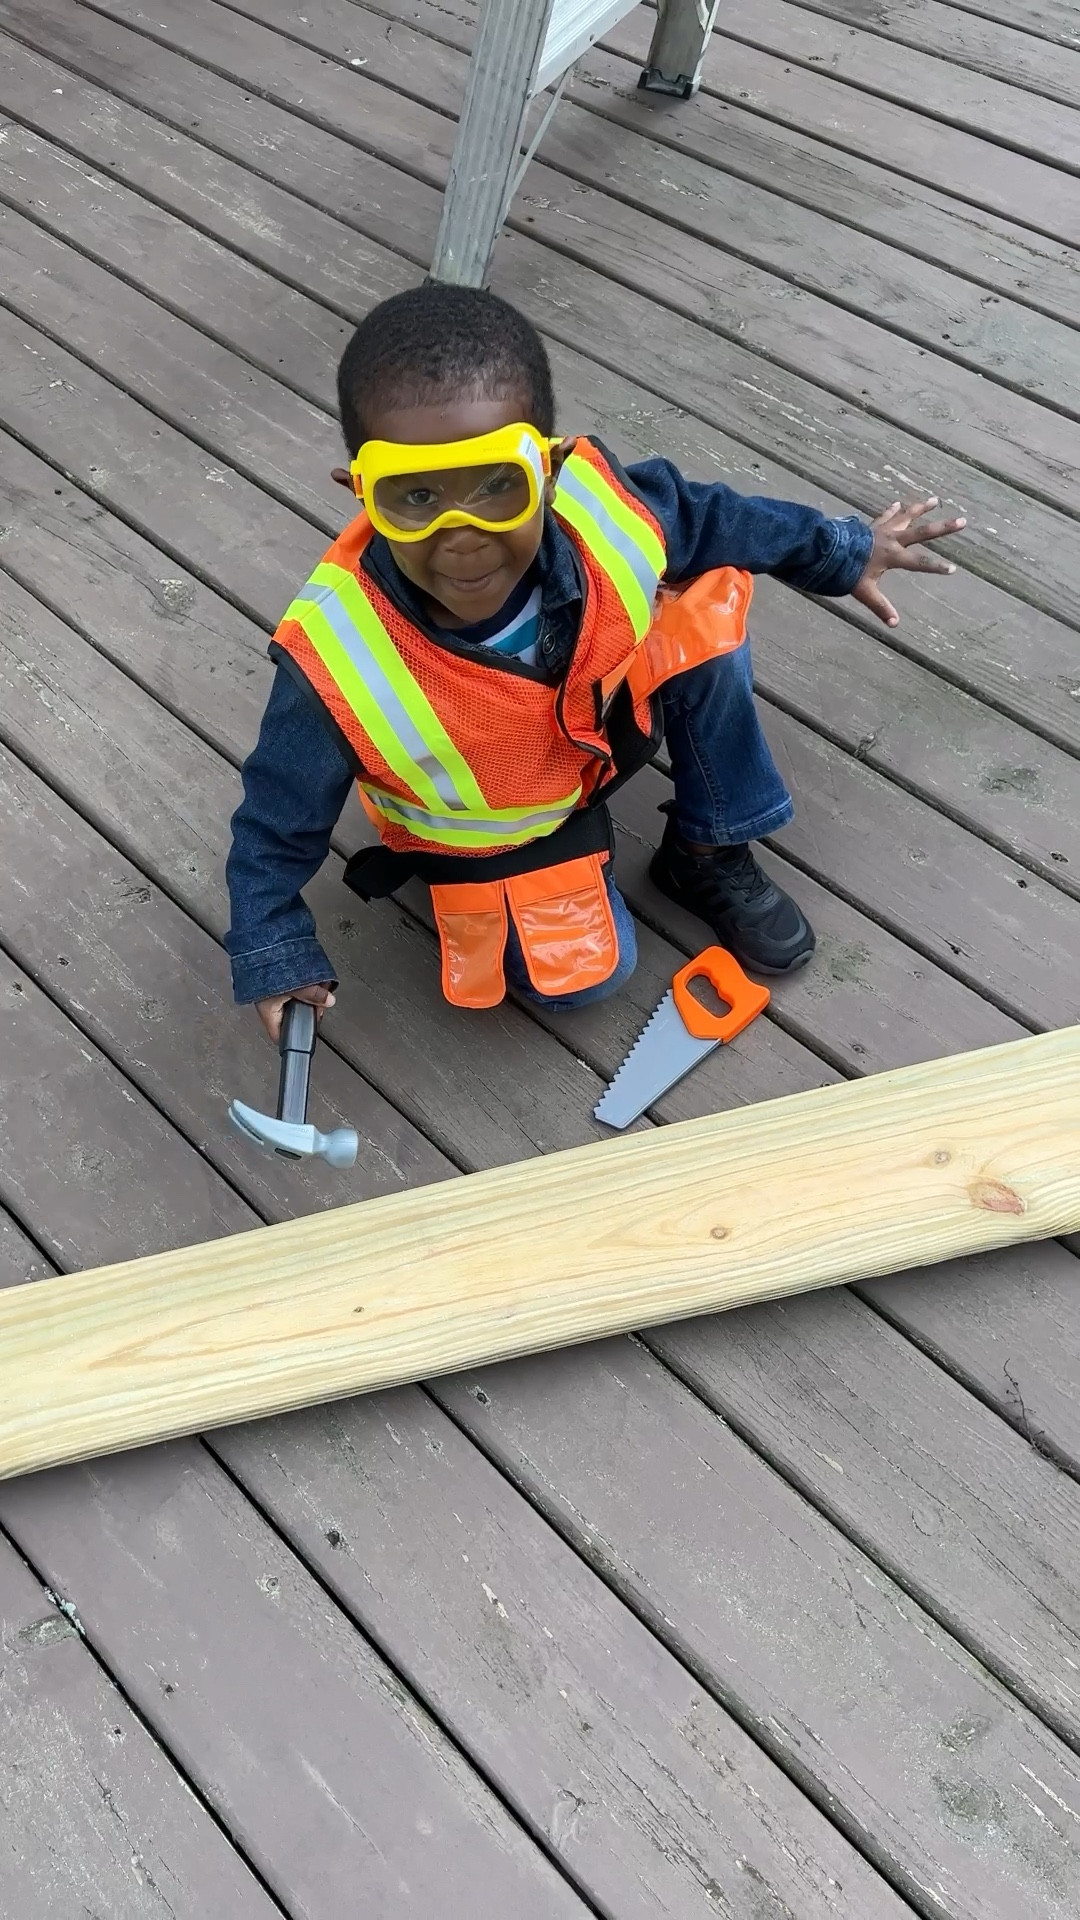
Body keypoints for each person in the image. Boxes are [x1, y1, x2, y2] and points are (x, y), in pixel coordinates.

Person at [227, 283, 963, 1041]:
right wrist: (274, 947)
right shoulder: (333, 660)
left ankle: (705, 850)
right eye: (414, 497)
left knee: (707, 595)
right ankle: (560, 878)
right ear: (360, 494)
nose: (463, 534)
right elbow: (273, 822)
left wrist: (841, 551)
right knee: (590, 981)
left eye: (496, 486)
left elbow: (721, 518)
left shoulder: (609, 507)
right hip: (503, 827)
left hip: (598, 733)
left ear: (547, 469)